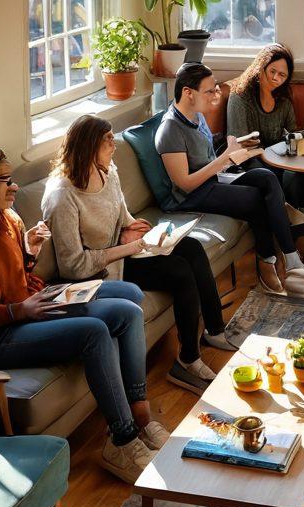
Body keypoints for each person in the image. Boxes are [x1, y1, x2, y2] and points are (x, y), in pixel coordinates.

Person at [0, 141, 168, 484]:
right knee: (95, 332)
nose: (14, 187)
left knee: (129, 300)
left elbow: (20, 278)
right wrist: (17, 310)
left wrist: (29, 254)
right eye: (5, 181)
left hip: (31, 304)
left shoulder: (7, 218)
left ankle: (140, 411)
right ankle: (123, 438)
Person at [43, 115, 235, 397]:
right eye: (107, 139)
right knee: (179, 272)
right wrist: (130, 246)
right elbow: (74, 266)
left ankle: (215, 329)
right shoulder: (63, 197)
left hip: (122, 253)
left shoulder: (107, 169)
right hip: (99, 273)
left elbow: (122, 216)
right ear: (87, 146)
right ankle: (188, 360)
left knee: (191, 247)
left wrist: (135, 228)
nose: (113, 144)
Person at [155, 62, 304, 296]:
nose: (214, 95)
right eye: (209, 91)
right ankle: (268, 258)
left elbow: (209, 160)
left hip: (212, 181)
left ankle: (290, 256)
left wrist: (235, 151)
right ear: (188, 93)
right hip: (189, 196)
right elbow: (185, 184)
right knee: (255, 198)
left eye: (215, 89)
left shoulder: (197, 117)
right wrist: (226, 158)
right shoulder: (170, 130)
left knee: (266, 177)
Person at [226, 43, 304, 258]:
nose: (277, 78)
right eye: (273, 72)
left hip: (277, 158)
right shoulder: (240, 97)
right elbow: (238, 142)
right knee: (271, 176)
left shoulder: (283, 101)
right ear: (261, 68)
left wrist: (301, 139)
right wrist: (265, 152)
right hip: (250, 161)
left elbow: (290, 134)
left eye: (283, 75)